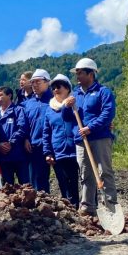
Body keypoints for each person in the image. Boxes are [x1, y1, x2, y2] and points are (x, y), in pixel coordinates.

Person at [63, 57, 117, 216]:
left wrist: (90, 128)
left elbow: (108, 113)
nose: (77, 77)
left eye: (80, 73)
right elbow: (67, 118)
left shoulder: (103, 92)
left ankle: (111, 204)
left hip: (100, 137)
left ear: (91, 74)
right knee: (85, 173)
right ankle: (87, 206)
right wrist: (66, 107)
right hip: (81, 140)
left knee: (104, 171)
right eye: (76, 73)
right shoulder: (75, 95)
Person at [43, 74, 79, 207]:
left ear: (67, 88)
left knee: (78, 181)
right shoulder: (49, 109)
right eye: (53, 87)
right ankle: (69, 208)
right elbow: (46, 132)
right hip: (58, 151)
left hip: (76, 149)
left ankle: (84, 207)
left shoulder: (76, 104)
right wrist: (48, 152)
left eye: (59, 86)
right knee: (63, 181)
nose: (55, 90)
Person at [23, 69, 53, 193]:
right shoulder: (28, 104)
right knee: (36, 180)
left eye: (38, 82)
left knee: (65, 177)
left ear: (47, 82)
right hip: (34, 146)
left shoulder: (54, 100)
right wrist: (25, 138)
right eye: (32, 82)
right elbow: (24, 124)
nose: (34, 85)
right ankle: (41, 209)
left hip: (53, 145)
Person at [0, 86, 30, 185]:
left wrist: (11, 143)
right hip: (3, 157)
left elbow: (22, 128)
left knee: (25, 185)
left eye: (0, 95)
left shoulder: (18, 110)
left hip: (18, 155)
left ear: (9, 95)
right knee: (7, 187)